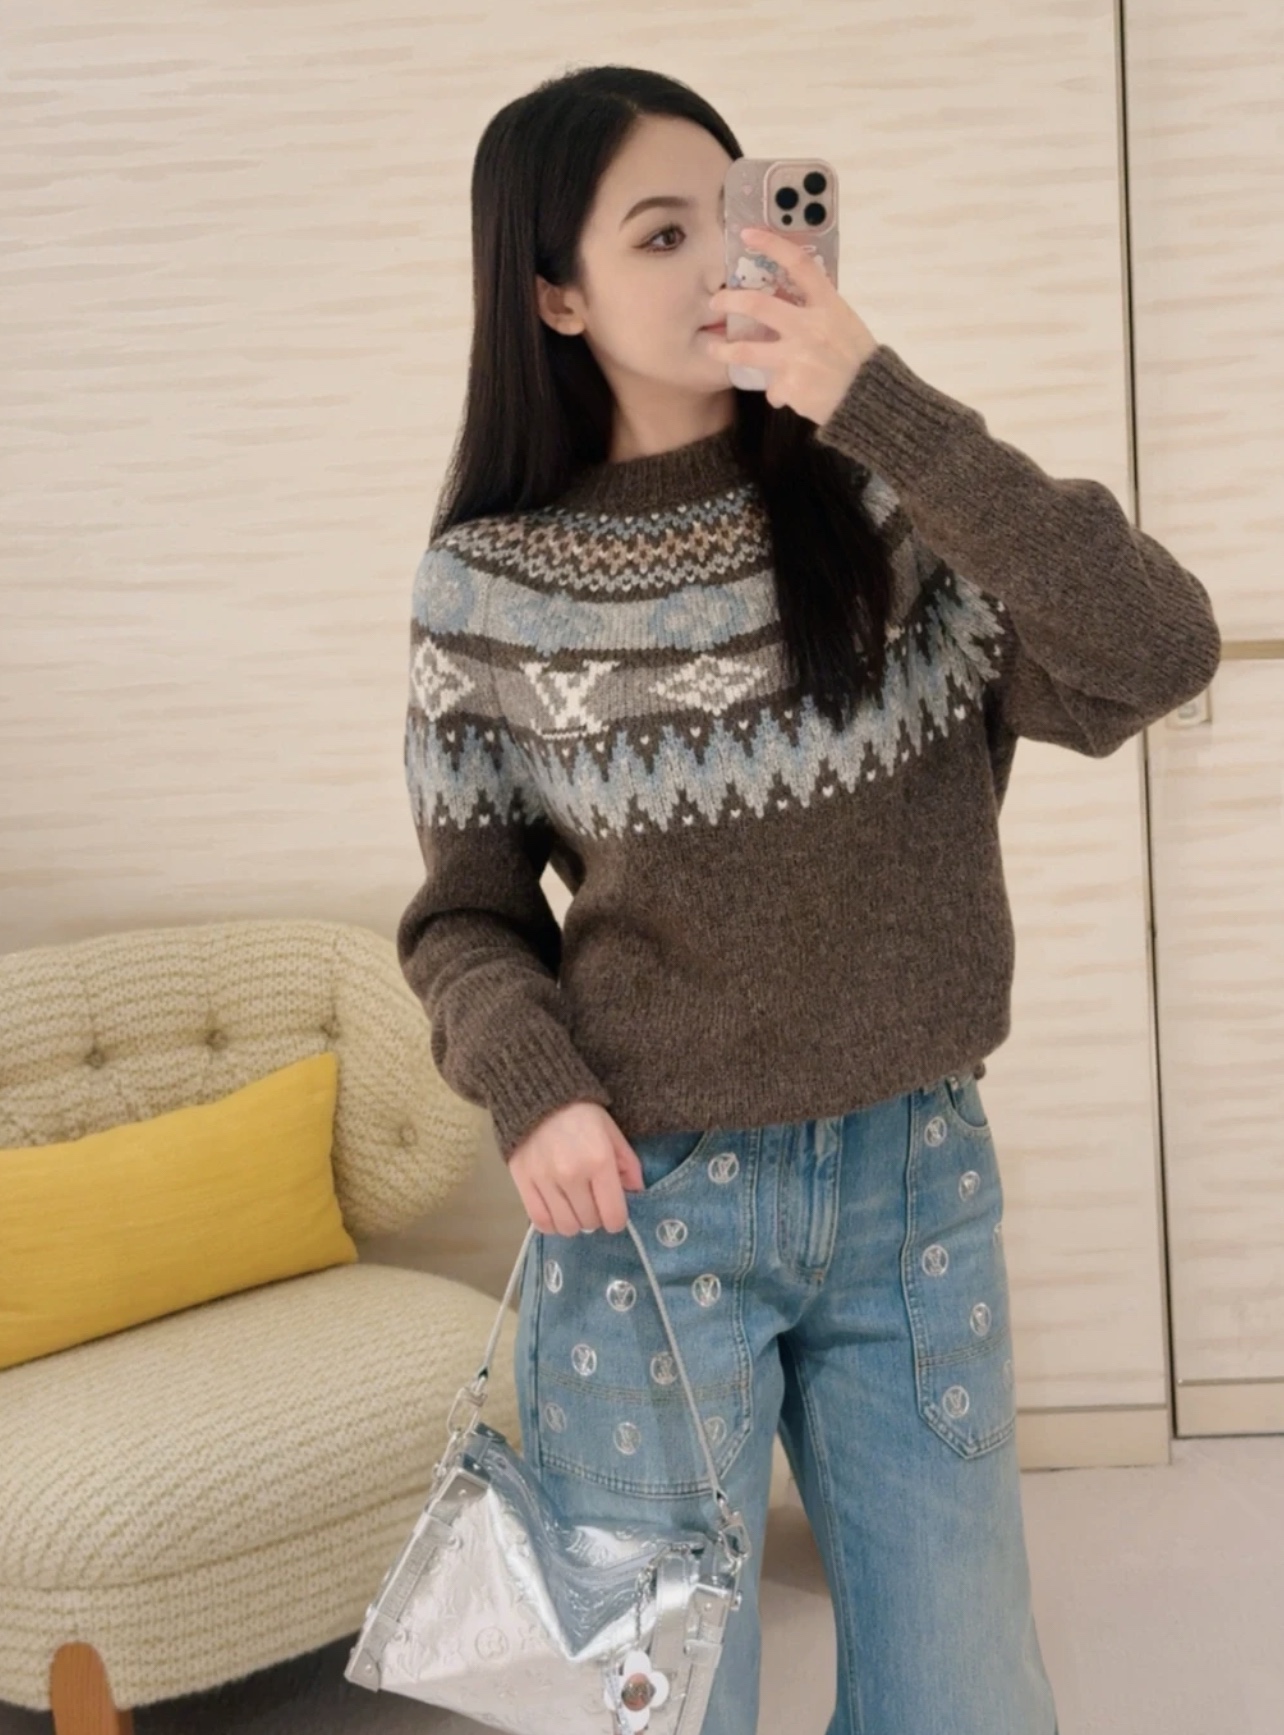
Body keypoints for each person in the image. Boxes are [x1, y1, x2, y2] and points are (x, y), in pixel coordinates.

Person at [395, 63, 1220, 1735]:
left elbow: (1160, 649)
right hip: (646, 1210)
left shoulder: (887, 509)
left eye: (740, 211)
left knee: (964, 1701)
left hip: (912, 1183)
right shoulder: (490, 585)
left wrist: (881, 405)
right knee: (664, 1709)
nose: (724, 257)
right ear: (555, 296)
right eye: (661, 233)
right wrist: (533, 1086)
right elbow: (466, 912)